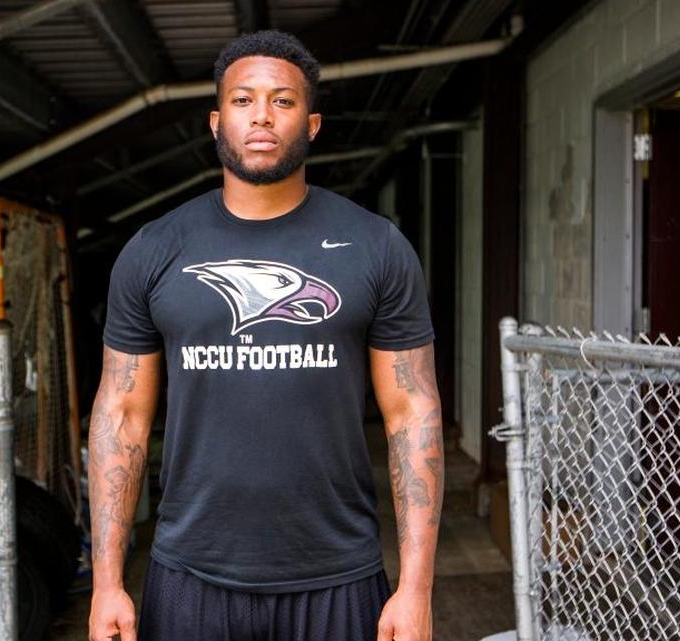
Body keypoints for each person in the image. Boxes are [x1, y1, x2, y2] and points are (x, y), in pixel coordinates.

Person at [88, 29, 443, 641]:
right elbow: (120, 415)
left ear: (311, 124)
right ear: (216, 120)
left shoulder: (375, 245)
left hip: (337, 571)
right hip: (192, 570)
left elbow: (413, 411)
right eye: (243, 99)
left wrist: (416, 590)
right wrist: (106, 583)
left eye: (283, 101)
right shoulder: (153, 249)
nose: (262, 116)